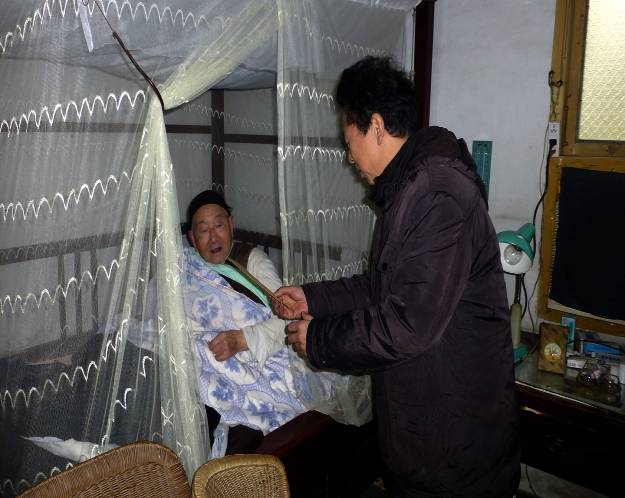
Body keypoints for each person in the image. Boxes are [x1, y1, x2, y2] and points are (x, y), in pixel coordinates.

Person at [275, 56, 520, 497]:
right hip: (427, 429)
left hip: (455, 445)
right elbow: (382, 286)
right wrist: (313, 298)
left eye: (349, 141)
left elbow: (408, 323)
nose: (349, 156)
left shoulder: (436, 195)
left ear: (375, 126)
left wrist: (320, 339)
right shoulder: (409, 188)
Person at [185, 190, 303, 455]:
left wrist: (241, 339)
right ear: (192, 238)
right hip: (198, 357)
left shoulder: (252, 259)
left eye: (219, 226)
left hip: (249, 358)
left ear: (231, 225)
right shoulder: (186, 266)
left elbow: (285, 321)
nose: (213, 237)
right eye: (203, 230)